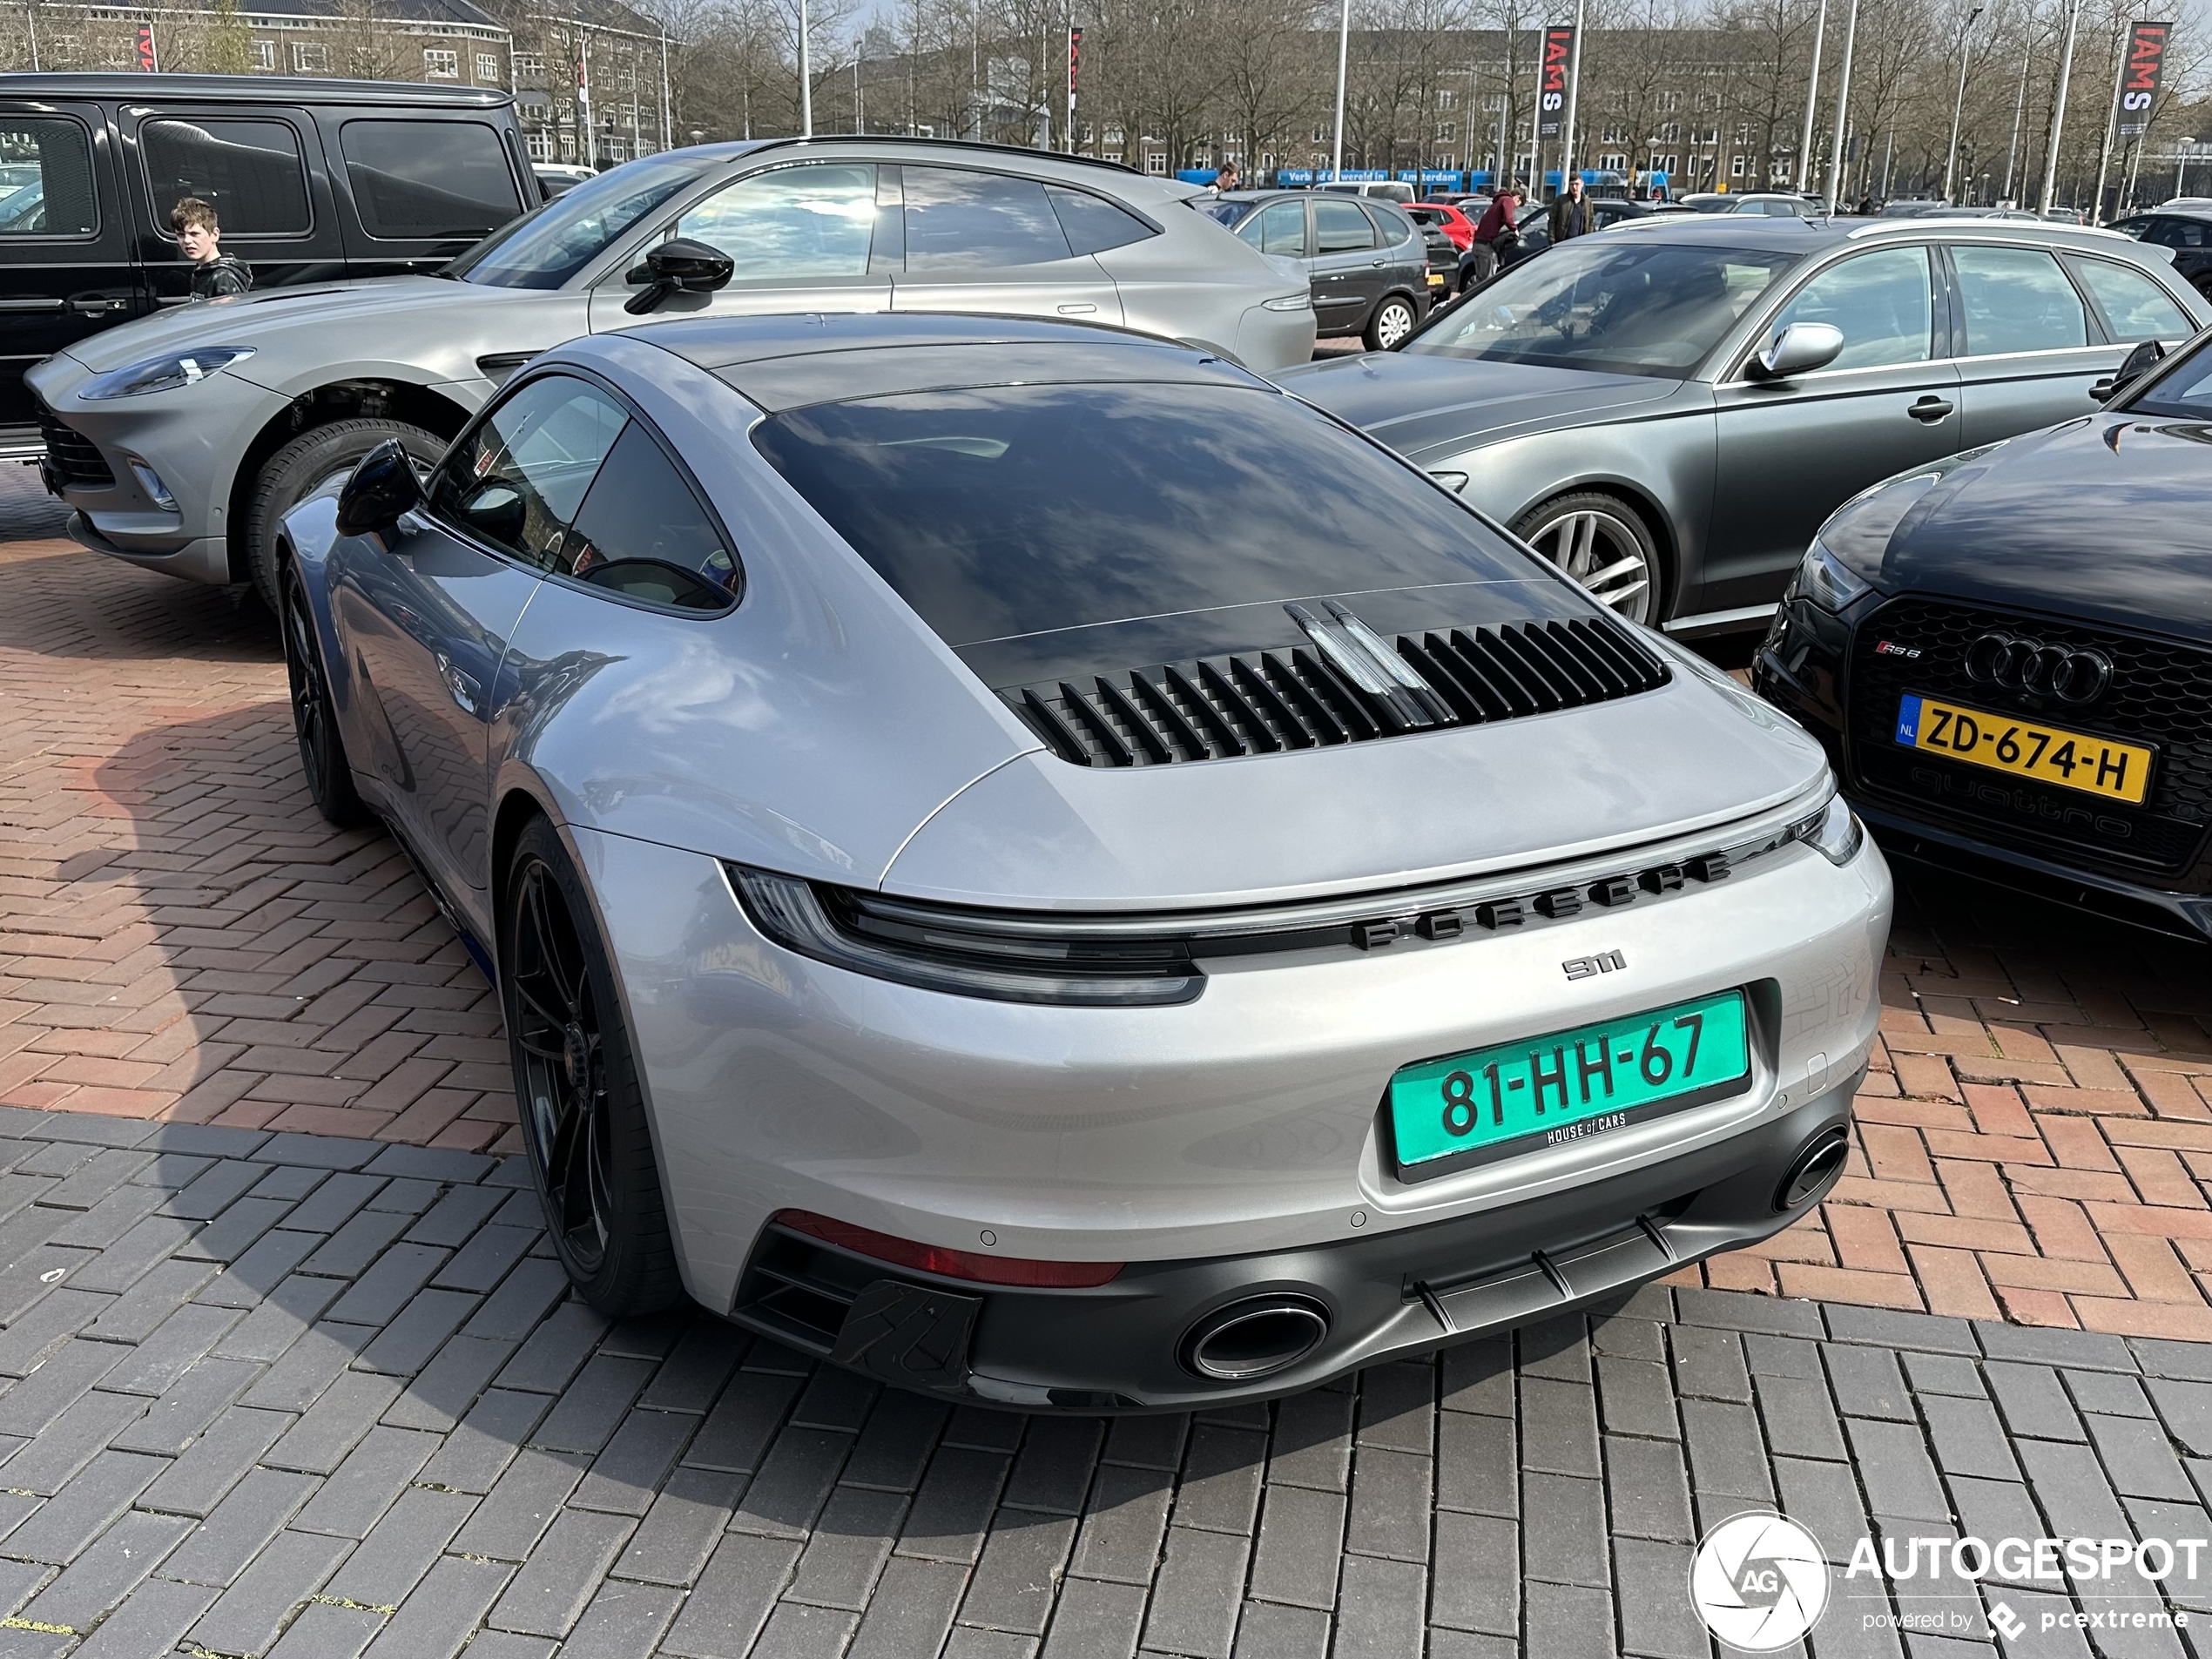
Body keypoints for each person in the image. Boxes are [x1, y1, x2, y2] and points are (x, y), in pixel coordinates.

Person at [172, 197, 250, 299]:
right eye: (181, 235)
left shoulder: (223, 278)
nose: (187, 240)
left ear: (214, 235)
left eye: (194, 234)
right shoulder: (202, 270)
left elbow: (231, 314)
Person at [1460, 180, 1523, 291]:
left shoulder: (1497, 202)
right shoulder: (1507, 200)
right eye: (1517, 206)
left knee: (1480, 279)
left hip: (1477, 244)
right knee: (1487, 282)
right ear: (1517, 198)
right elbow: (1508, 219)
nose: (1515, 208)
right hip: (1486, 246)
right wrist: (1515, 230)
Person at [1548, 172, 1591, 245]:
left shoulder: (1587, 202)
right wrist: (1552, 240)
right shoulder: (1561, 201)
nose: (1574, 187)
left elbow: (1591, 222)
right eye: (1572, 184)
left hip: (1581, 244)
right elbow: (1552, 221)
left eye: (1577, 184)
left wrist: (1589, 239)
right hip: (1562, 243)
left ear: (1582, 184)